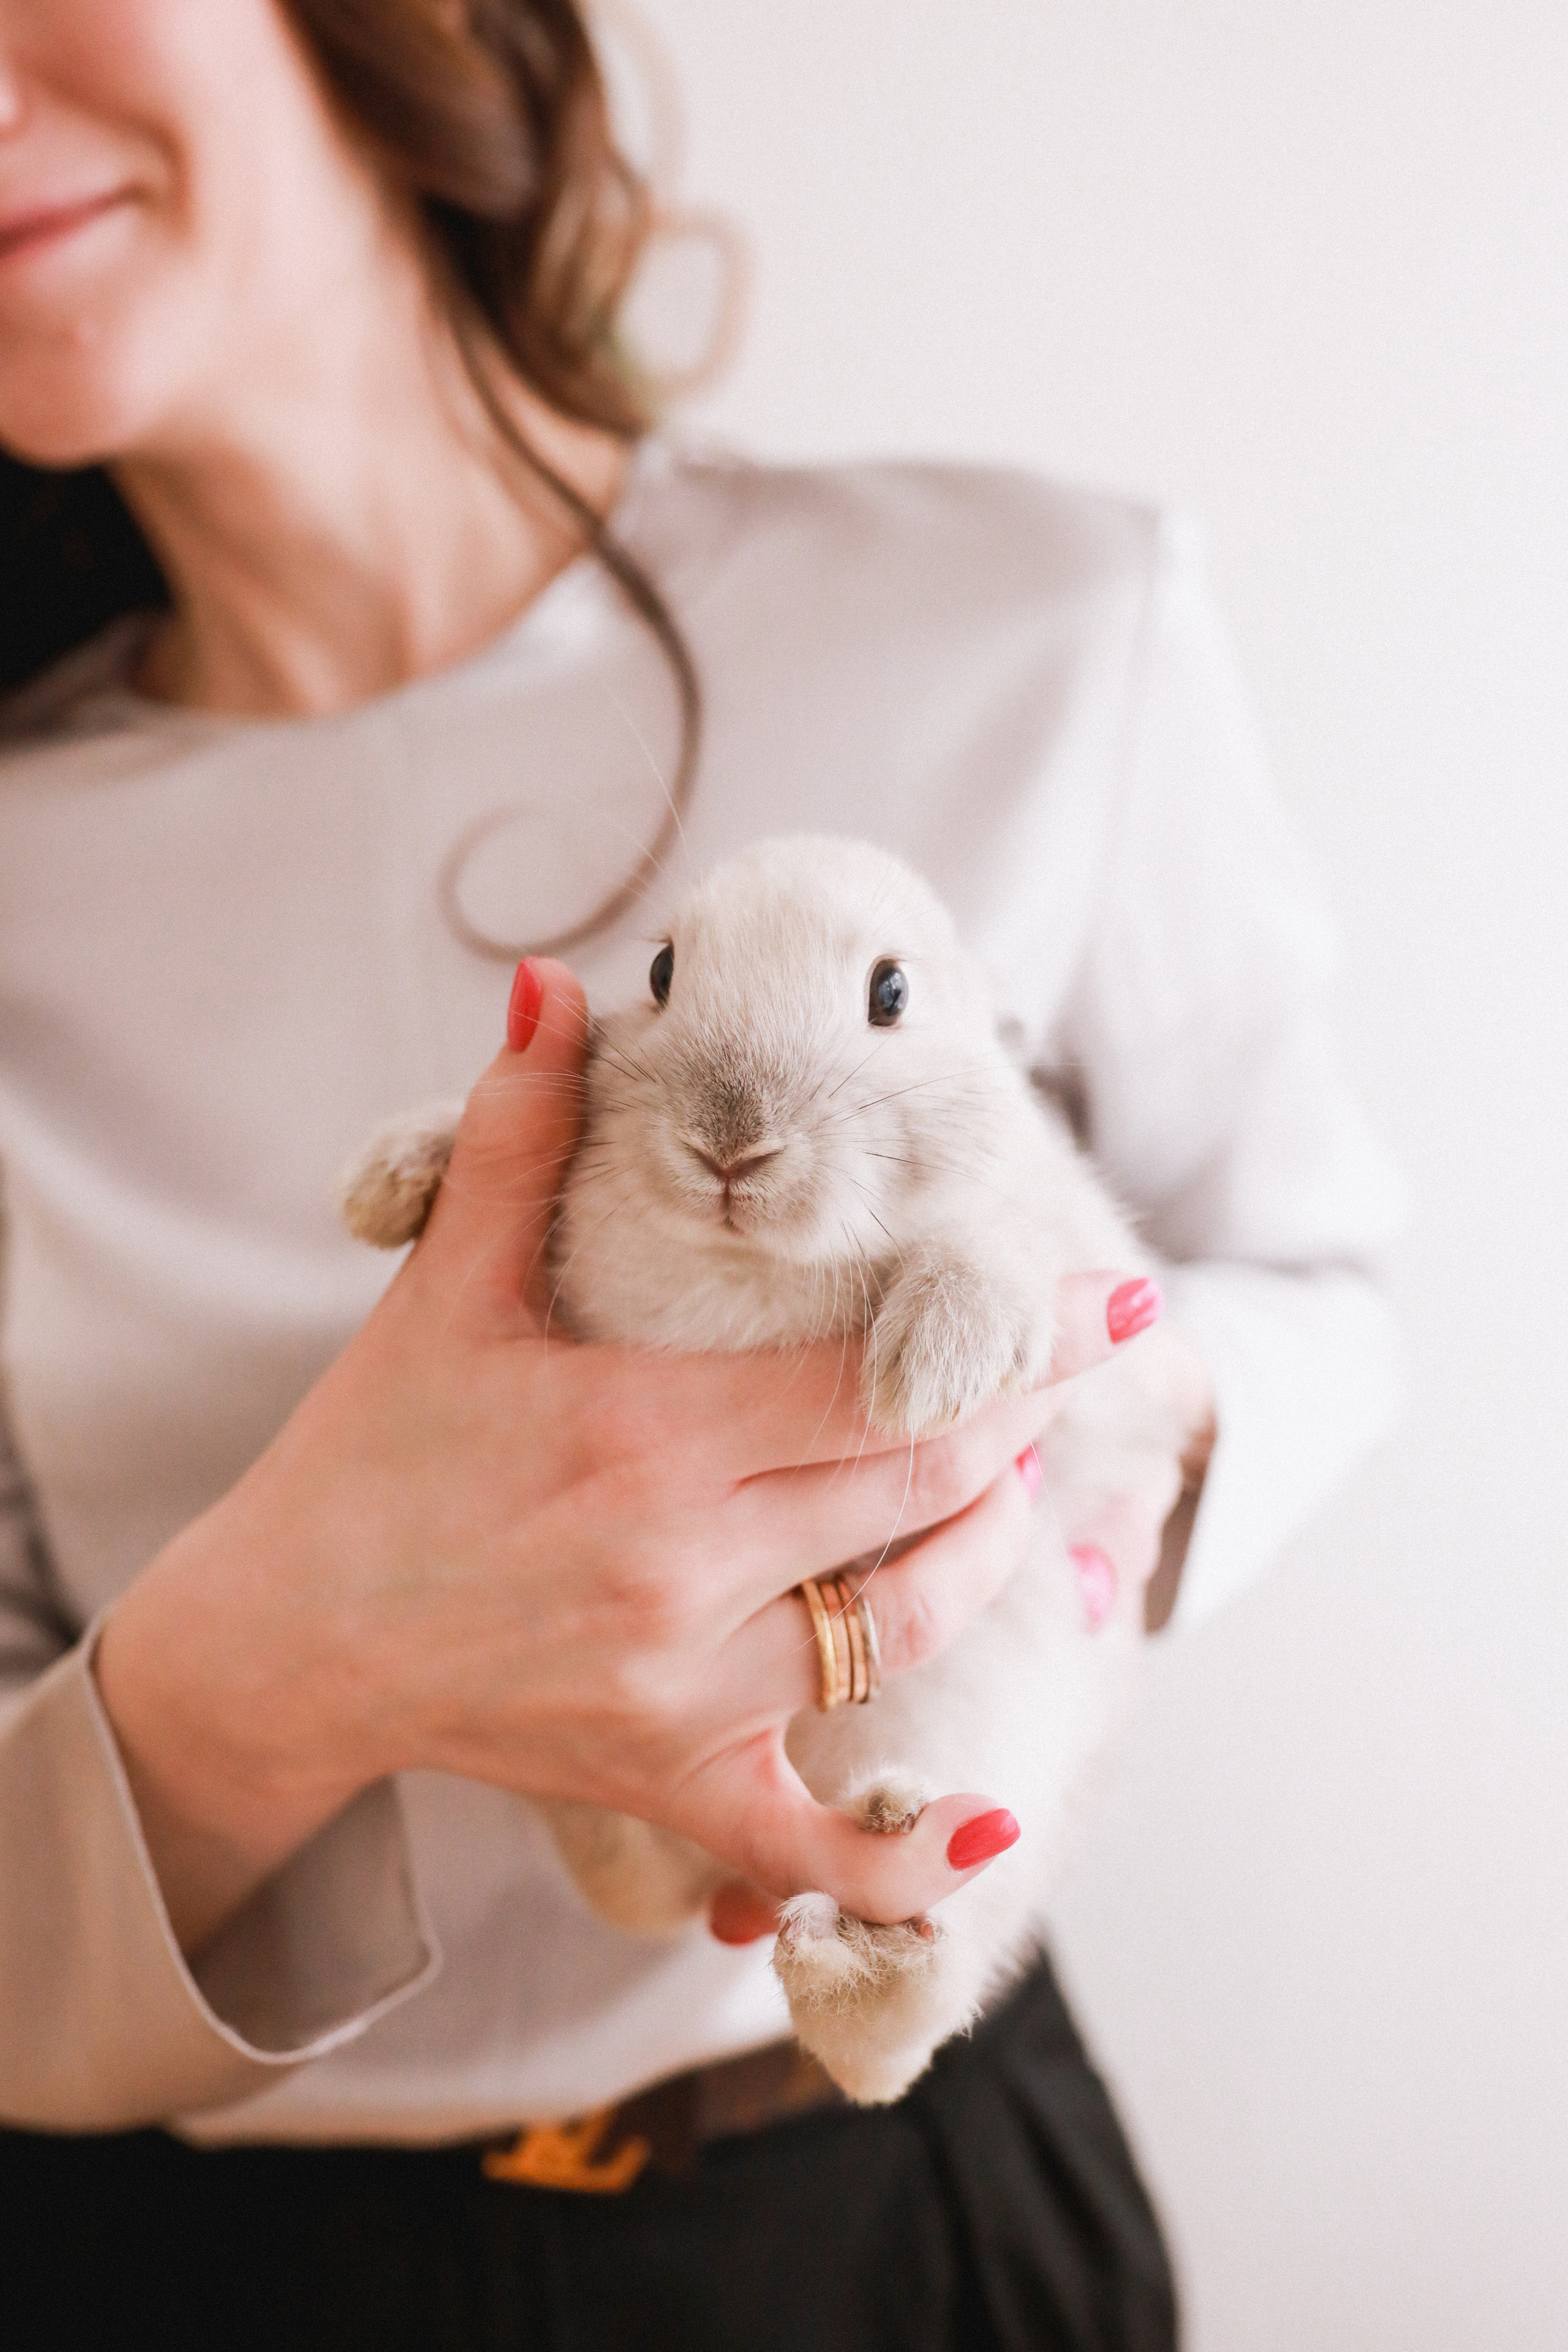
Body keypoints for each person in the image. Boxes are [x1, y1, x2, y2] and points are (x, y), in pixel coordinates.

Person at [0, 3, 1401, 2346]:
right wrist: (282, 1658)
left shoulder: (1043, 622)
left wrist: (1039, 1460)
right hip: (176, 2272)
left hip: (892, 2220)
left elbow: (1320, 1280)